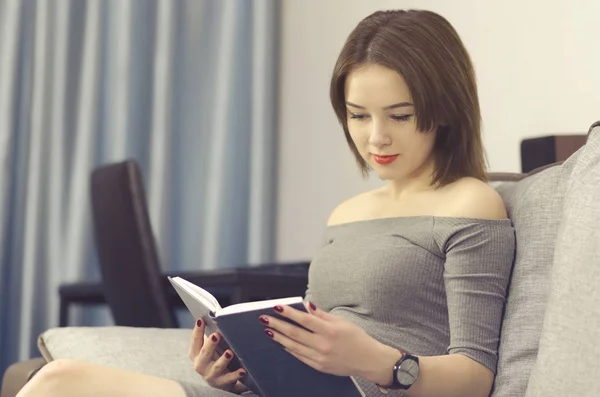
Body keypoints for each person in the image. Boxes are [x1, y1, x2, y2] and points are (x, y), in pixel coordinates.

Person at [17, 9, 515, 397]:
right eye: (358, 115)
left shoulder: (471, 203)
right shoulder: (347, 213)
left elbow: (476, 376)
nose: (375, 137)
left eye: (400, 115)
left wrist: (377, 360)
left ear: (445, 110)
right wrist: (234, 369)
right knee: (59, 380)